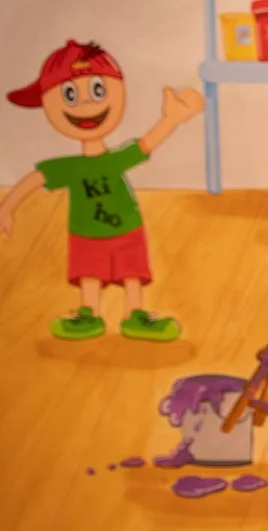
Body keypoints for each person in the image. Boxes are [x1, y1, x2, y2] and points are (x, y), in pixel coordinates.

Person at [0, 39, 199, 342]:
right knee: (89, 275)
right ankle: (88, 315)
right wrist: (6, 207)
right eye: (69, 94)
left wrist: (171, 119)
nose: (86, 105)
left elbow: (148, 142)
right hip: (85, 233)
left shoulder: (116, 158)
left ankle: (134, 316)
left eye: (97, 89)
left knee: (132, 274)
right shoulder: (69, 167)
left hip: (126, 230)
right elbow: (35, 178)